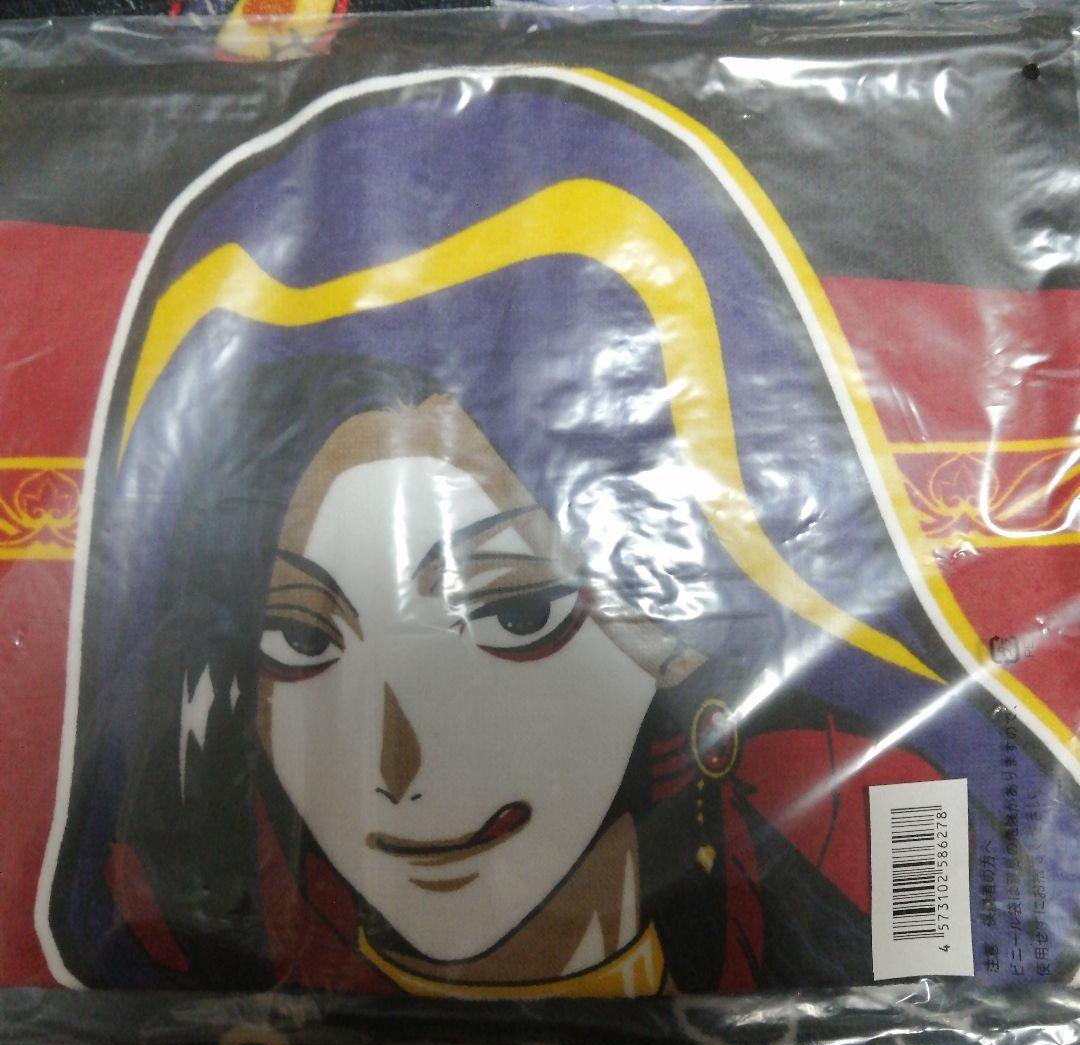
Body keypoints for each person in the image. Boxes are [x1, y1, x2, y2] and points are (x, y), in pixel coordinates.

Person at [41, 71, 1050, 996]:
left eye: (514, 614)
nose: (398, 763)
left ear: (690, 618)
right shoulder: (172, 1004)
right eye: (302, 640)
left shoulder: (879, 951)